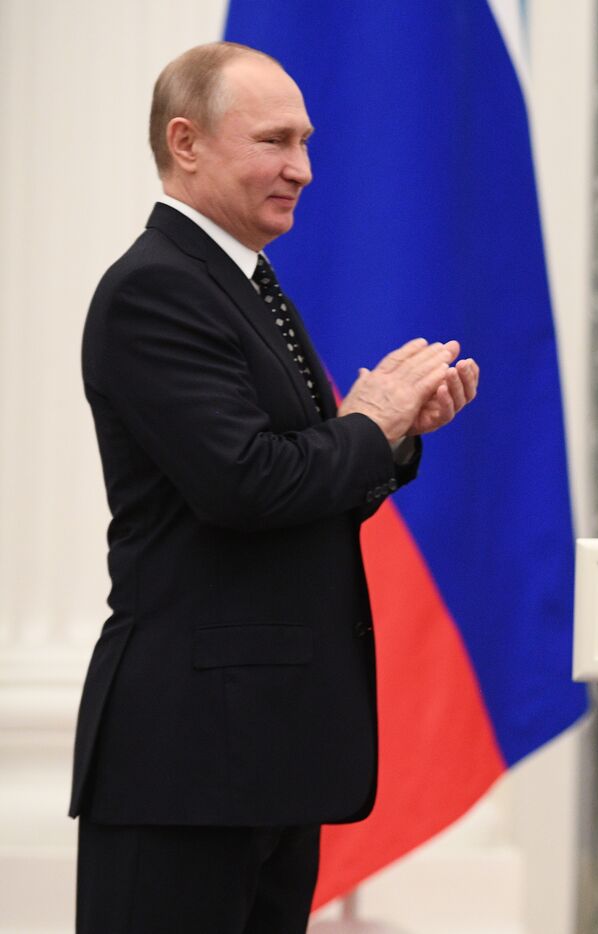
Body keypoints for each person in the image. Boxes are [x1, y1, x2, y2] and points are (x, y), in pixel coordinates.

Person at [70, 41, 479, 933]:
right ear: (185, 143)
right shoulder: (155, 289)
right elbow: (245, 484)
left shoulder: (242, 280)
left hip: (262, 755)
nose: (301, 168)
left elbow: (298, 482)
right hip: (185, 763)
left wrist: (394, 433)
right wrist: (369, 424)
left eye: (306, 142)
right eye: (274, 141)